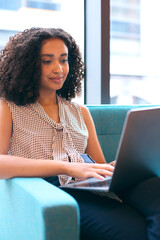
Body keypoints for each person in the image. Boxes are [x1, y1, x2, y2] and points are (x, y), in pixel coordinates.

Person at [0, 27, 159, 240]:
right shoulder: (8, 108)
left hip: (91, 186)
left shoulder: (80, 112)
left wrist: (120, 166)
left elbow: (98, 164)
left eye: (64, 60)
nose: (58, 69)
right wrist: (66, 166)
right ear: (27, 65)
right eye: (47, 61)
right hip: (58, 190)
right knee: (136, 230)